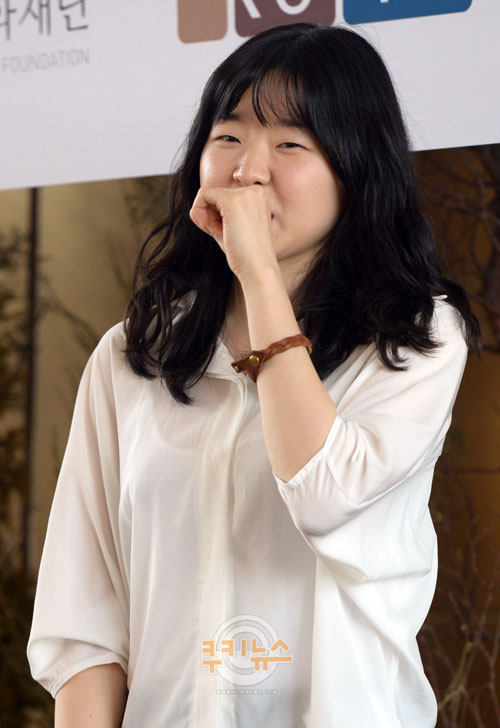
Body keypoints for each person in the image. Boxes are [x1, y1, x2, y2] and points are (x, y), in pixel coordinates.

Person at [27, 21, 480, 728]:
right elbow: (85, 623)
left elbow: (324, 494)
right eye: (228, 136)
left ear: (356, 168)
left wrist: (259, 275)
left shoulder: (416, 339)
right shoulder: (131, 356)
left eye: (291, 144)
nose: (248, 170)